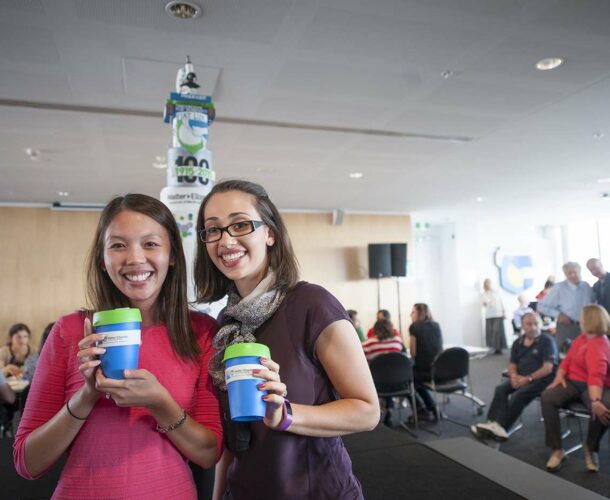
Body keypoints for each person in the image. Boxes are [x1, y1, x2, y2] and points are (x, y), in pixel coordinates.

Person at [14, 194, 222, 499]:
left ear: (173, 255)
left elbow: (208, 453)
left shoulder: (201, 332)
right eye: (118, 245)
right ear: (102, 258)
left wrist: (160, 404)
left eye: (150, 244)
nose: (135, 258)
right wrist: (87, 395)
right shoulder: (70, 331)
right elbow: (27, 462)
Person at [193, 179, 379, 500]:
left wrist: (287, 415)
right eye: (213, 230)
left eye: (240, 224)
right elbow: (234, 435)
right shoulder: (226, 323)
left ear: (270, 234)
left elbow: (367, 411)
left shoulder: (312, 304)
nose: (225, 240)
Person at [541, 305, 610, 473]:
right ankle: (557, 450)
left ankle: (590, 449)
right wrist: (559, 376)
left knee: (601, 408)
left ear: (589, 321)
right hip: (573, 383)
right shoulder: (582, 338)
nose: (579, 321)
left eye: (582, 318)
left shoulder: (599, 344)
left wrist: (595, 400)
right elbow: (567, 360)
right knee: (547, 397)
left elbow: (596, 376)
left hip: (595, 386)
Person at [471, 313, 557, 441]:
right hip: (520, 377)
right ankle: (492, 423)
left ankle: (501, 427)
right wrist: (513, 376)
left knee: (518, 396)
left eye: (536, 324)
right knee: (500, 389)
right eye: (529, 324)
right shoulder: (518, 342)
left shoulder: (547, 341)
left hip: (541, 380)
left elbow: (548, 368)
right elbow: (512, 363)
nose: (533, 327)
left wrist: (528, 378)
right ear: (522, 325)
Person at [538, 262, 594, 352]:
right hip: (567, 327)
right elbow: (541, 306)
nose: (573, 275)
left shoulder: (586, 286)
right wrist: (558, 315)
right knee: (566, 355)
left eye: (575, 272)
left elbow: (594, 304)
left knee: (587, 355)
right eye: (569, 273)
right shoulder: (559, 288)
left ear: (580, 272)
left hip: (587, 328)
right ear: (565, 274)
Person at [482, 279, 507, 354]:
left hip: (498, 314)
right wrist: (486, 302)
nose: (488, 284)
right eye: (486, 283)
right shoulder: (484, 293)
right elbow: (484, 304)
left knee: (498, 331)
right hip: (489, 315)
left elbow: (501, 302)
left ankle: (499, 348)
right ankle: (493, 347)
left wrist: (504, 312)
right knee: (490, 332)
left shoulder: (496, 291)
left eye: (489, 283)